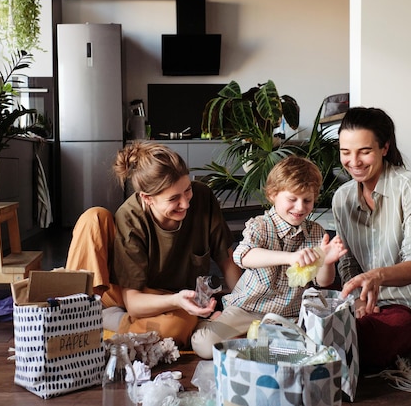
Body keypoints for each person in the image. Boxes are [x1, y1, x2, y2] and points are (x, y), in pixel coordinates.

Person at [64, 141, 242, 348]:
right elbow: (134, 303)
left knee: (177, 327)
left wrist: (240, 309)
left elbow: (227, 261)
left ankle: (112, 323)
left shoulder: (203, 197)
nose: (185, 203)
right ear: (147, 198)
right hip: (128, 296)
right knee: (93, 217)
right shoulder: (130, 217)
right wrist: (176, 302)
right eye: (174, 198)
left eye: (187, 190)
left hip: (171, 299)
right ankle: (87, 317)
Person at [191, 155, 347, 359]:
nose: (300, 207)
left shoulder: (316, 232)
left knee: (314, 348)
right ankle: (235, 331)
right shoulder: (260, 225)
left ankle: (256, 342)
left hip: (289, 315)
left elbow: (323, 281)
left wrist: (326, 262)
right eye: (292, 199)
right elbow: (243, 256)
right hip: (247, 310)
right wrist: (290, 257)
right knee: (203, 345)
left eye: (307, 200)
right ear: (273, 195)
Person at [332, 106, 411, 370]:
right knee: (327, 332)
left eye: (365, 151)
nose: (354, 161)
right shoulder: (342, 197)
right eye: (345, 152)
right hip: (365, 306)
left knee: (353, 342)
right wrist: (359, 301)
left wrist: (377, 276)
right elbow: (348, 264)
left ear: (384, 148)